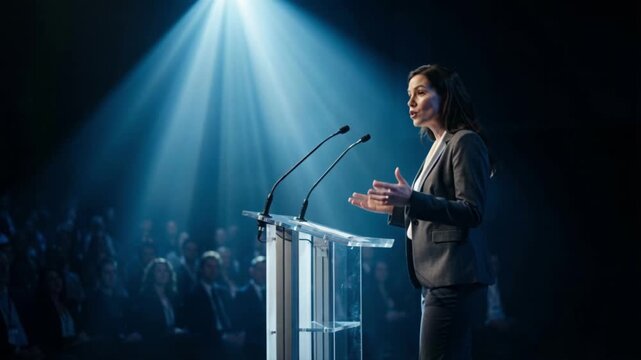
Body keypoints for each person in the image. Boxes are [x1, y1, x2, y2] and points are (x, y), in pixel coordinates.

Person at [349, 64, 494, 359]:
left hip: (451, 277)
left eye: (421, 92)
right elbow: (434, 216)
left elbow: (471, 211)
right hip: (434, 279)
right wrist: (396, 209)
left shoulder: (464, 141)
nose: (410, 102)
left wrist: (412, 200)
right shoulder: (437, 146)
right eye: (408, 95)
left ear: (444, 96)